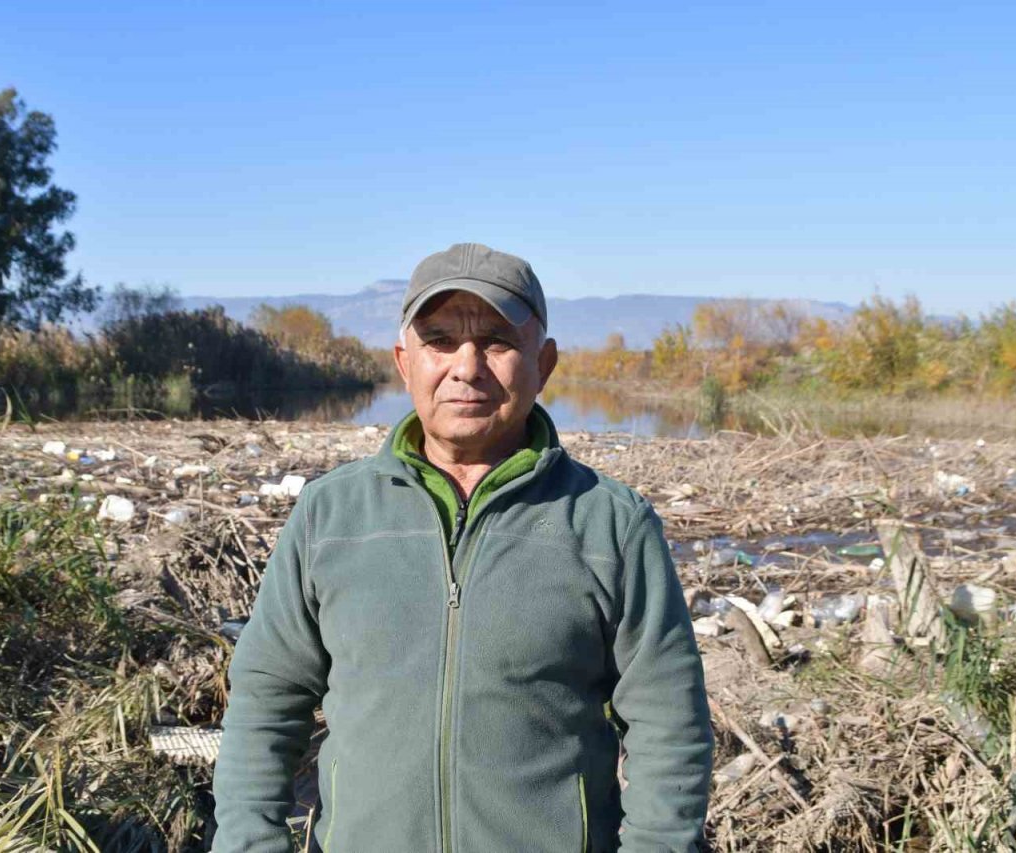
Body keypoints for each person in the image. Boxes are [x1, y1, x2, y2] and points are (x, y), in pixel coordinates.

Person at [212, 243, 713, 852]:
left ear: (544, 362)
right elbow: (267, 701)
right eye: (441, 340)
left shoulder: (610, 524)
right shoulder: (330, 515)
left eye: (498, 341)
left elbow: (670, 725)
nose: (467, 367)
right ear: (405, 361)